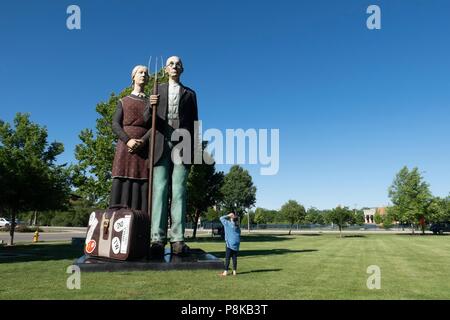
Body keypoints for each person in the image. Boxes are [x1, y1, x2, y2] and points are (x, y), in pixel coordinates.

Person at [147, 56, 199, 256]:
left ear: (182, 69)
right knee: (159, 190)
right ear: (165, 69)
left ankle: (177, 240)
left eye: (178, 64)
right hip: (160, 141)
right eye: (171, 64)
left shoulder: (190, 94)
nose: (174, 66)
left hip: (183, 143)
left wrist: (193, 152)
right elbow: (146, 118)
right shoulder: (156, 90)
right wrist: (149, 105)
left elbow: (195, 123)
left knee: (179, 191)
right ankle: (157, 239)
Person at [110, 65, 158, 211]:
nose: (143, 75)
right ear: (133, 77)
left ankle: (139, 223)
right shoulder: (123, 101)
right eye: (140, 72)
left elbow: (154, 125)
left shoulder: (152, 102)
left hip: (143, 151)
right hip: (125, 148)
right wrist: (128, 140)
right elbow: (115, 124)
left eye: (146, 73)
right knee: (121, 178)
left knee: (142, 182)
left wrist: (143, 140)